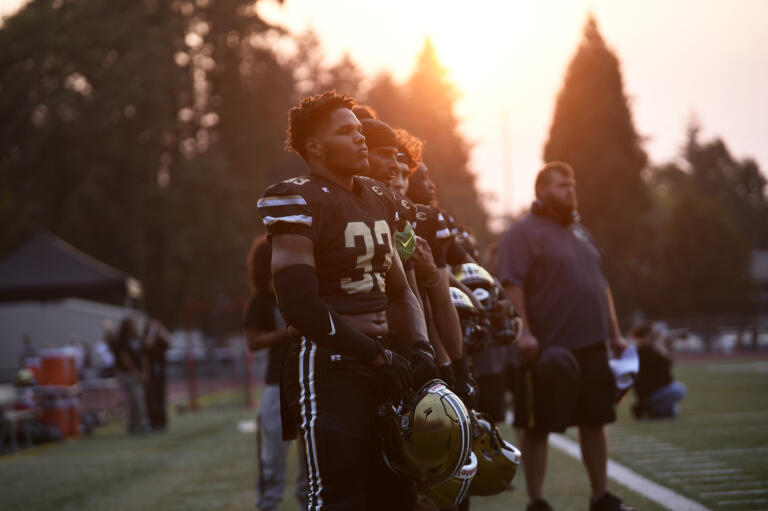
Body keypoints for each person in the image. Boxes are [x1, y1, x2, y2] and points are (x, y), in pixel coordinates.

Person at [257, 91, 436, 510]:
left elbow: (399, 290)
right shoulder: (296, 198)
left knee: (398, 495)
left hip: (386, 360)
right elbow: (300, 305)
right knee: (340, 499)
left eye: (359, 130)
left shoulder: (380, 196)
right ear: (315, 147)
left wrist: (421, 348)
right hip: (330, 365)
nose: (360, 139)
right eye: (346, 131)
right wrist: (373, 354)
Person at [497, 161, 633, 511]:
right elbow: (513, 284)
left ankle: (601, 496)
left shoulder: (582, 232)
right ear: (541, 190)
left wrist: (615, 335)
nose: (570, 190)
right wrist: (523, 333)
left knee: (595, 419)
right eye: (562, 185)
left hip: (591, 345)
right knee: (537, 427)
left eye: (573, 184)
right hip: (546, 351)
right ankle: (537, 501)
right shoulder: (521, 233)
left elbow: (601, 287)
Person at [243, 235, 308, 511]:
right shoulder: (260, 301)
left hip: (307, 380)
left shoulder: (298, 291)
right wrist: (285, 333)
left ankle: (310, 503)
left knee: (312, 457)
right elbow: (253, 341)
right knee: (274, 457)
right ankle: (267, 504)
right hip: (277, 384)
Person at [630, 322, 686, 419]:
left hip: (651, 391)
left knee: (672, 413)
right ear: (647, 334)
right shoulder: (643, 350)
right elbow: (667, 362)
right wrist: (660, 344)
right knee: (679, 390)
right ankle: (646, 407)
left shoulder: (644, 349)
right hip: (649, 393)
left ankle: (651, 410)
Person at [114, 317, 149, 434]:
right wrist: (135, 372)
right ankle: (139, 425)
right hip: (127, 374)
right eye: (133, 324)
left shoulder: (138, 339)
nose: (135, 326)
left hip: (136, 373)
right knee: (135, 399)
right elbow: (125, 358)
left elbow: (143, 356)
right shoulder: (123, 341)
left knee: (137, 399)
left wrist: (144, 371)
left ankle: (135, 424)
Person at [143, 319, 170, 431]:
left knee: (161, 397)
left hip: (160, 373)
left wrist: (161, 330)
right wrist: (152, 332)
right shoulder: (147, 337)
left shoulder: (161, 340)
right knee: (152, 398)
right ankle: (153, 422)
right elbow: (148, 345)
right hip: (151, 373)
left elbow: (170, 340)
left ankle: (162, 422)